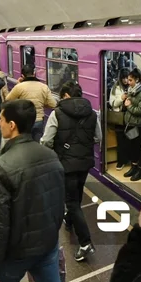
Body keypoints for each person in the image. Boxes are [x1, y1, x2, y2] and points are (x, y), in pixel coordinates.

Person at [0, 100, 65, 282]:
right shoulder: (51, 156)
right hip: (48, 244)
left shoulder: (1, 167)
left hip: (17, 252)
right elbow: (58, 203)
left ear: (12, 125)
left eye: (1, 120)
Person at [41, 81, 101, 262]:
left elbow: (46, 141)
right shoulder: (92, 113)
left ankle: (85, 243)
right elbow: (98, 137)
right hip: (85, 163)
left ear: (65, 95)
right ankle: (70, 217)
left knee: (72, 201)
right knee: (76, 197)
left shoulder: (56, 114)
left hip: (65, 164)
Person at [5, 64, 57, 142]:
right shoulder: (43, 87)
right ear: (34, 73)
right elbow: (53, 104)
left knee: (24, 143)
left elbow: (8, 100)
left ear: (22, 75)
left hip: (24, 120)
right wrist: (42, 103)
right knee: (37, 143)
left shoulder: (19, 87)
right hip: (39, 120)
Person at [122, 68, 141, 181]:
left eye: (130, 80)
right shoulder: (131, 91)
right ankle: (133, 166)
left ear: (137, 80)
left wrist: (129, 106)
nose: (128, 82)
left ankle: (140, 170)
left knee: (138, 148)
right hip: (131, 123)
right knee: (131, 147)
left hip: (138, 125)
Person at [109, 70, 130, 170]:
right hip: (119, 117)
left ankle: (129, 160)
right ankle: (121, 161)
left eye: (127, 78)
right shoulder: (115, 88)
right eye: (124, 78)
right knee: (120, 141)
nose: (126, 80)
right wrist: (121, 98)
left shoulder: (133, 87)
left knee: (130, 139)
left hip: (130, 117)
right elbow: (112, 103)